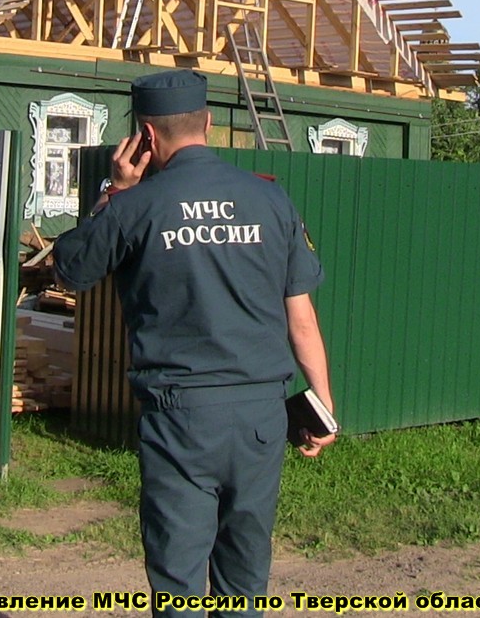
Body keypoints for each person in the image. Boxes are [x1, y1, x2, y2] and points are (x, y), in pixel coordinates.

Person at [51, 68, 336, 617]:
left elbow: (70, 267)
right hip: (259, 416)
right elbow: (301, 316)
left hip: (181, 417)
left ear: (146, 138)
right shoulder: (271, 202)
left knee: (178, 582)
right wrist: (322, 404)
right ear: (206, 123)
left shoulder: (135, 206)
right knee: (245, 578)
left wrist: (114, 191)